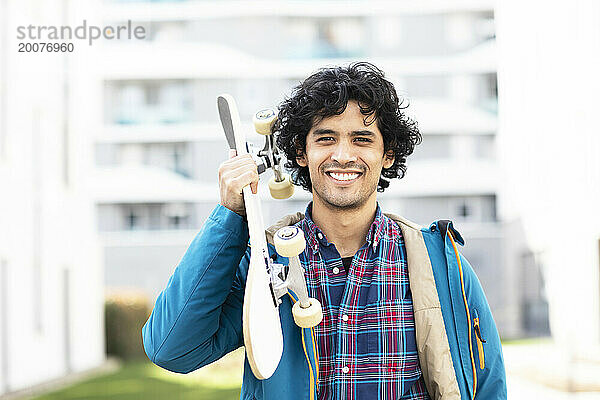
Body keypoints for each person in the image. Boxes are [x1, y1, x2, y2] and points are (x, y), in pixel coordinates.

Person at [142, 62, 507, 400]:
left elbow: (487, 384)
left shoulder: (439, 263)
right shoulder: (264, 265)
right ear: (301, 152)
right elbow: (171, 348)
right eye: (326, 138)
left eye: (362, 139)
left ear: (388, 155)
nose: (343, 155)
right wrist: (231, 216)